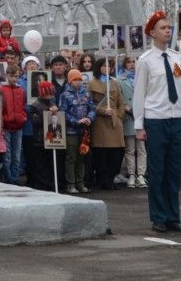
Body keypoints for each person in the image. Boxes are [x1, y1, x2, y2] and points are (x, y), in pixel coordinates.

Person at [132, 10, 181, 234]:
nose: (168, 31)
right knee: (157, 171)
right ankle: (158, 217)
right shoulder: (145, 61)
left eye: (169, 28)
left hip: (175, 119)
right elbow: (139, 93)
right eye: (163, 28)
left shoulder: (178, 58)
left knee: (174, 171)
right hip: (155, 120)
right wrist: (139, 124)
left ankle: (173, 217)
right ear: (152, 33)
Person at [87, 56, 126, 190]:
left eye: (109, 66)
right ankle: (103, 180)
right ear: (99, 67)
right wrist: (102, 111)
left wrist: (119, 116)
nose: (107, 68)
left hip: (115, 123)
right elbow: (89, 104)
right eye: (104, 66)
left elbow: (121, 103)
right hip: (100, 122)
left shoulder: (114, 83)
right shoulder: (92, 83)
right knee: (102, 154)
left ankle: (111, 178)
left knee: (116, 154)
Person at [59, 68, 95, 193]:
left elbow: (92, 108)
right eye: (75, 80)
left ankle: (80, 183)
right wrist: (75, 121)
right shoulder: (65, 95)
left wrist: (89, 118)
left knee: (82, 157)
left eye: (80, 80)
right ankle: (70, 184)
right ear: (70, 81)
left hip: (84, 131)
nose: (78, 82)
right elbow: (62, 112)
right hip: (71, 131)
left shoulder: (86, 93)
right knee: (71, 158)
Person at [117, 55, 145, 187]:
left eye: (134, 62)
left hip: (141, 117)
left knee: (141, 149)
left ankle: (141, 175)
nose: (132, 65)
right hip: (128, 118)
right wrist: (126, 108)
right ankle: (131, 175)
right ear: (125, 65)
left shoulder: (143, 78)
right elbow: (119, 98)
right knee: (130, 149)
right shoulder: (120, 80)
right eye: (129, 62)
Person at [0, 64, 27, 185]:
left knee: (16, 155)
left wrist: (24, 117)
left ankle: (15, 178)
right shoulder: (2, 90)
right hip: (6, 126)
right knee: (7, 156)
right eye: (11, 76)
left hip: (18, 126)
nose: (14, 79)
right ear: (7, 75)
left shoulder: (21, 90)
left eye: (16, 76)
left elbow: (24, 106)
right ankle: (8, 178)